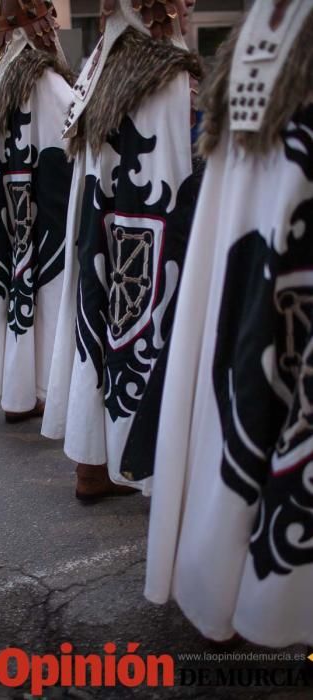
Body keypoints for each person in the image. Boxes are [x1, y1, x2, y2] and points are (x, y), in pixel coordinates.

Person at [145, 0, 313, 648]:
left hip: (251, 259)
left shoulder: (254, 40)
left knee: (245, 375)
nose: (187, 9)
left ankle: (224, 572)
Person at [41, 0, 202, 500]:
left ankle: (93, 463)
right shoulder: (165, 69)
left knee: (98, 320)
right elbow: (172, 176)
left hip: (100, 226)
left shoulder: (97, 65)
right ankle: (142, 462)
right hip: (145, 234)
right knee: (146, 318)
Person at [0, 0, 74, 420]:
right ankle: (44, 390)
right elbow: (75, 130)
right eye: (49, 20)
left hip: (13, 215)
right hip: (46, 211)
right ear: (39, 27)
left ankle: (18, 392)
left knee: (20, 297)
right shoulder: (47, 81)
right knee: (51, 294)